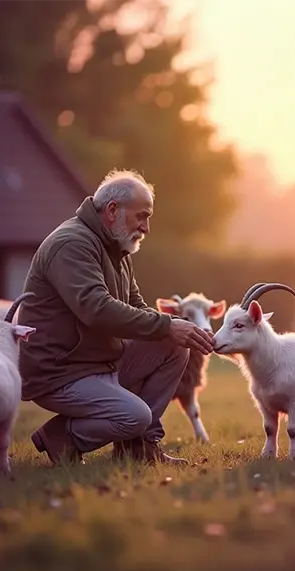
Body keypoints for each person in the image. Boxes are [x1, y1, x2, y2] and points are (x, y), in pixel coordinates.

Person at [16, 169, 215, 466]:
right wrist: (165, 324)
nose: (146, 227)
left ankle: (139, 449)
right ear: (112, 211)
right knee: (135, 416)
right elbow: (96, 309)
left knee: (174, 344)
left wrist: (174, 328)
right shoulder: (72, 245)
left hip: (97, 360)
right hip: (60, 371)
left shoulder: (117, 249)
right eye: (142, 216)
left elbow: (136, 305)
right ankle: (62, 437)